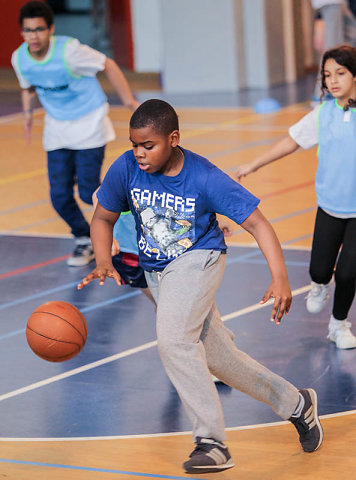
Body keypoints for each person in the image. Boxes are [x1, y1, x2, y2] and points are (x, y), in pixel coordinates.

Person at [77, 99, 323, 474]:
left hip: (199, 260)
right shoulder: (126, 168)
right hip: (158, 271)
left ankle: (212, 442)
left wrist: (281, 277)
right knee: (220, 360)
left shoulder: (204, 176)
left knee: (174, 341)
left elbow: (258, 224)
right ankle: (297, 404)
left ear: (173, 139)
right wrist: (103, 259)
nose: (140, 154)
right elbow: (103, 216)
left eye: (149, 146)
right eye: (134, 145)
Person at [236, 45, 356, 350]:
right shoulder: (323, 114)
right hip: (330, 206)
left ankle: (339, 325)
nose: (333, 80)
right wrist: (254, 164)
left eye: (340, 73)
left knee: (348, 272)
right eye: (327, 75)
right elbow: (291, 142)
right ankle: (319, 285)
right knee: (319, 270)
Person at [11, 1, 139, 266]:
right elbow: (28, 87)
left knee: (88, 191)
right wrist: (26, 116)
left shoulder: (70, 52)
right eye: (27, 30)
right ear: (22, 32)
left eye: (39, 29)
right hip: (58, 125)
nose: (33, 36)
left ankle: (129, 231)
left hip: (89, 120)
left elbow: (109, 65)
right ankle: (84, 237)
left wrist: (128, 101)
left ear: (50, 29)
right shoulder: (19, 58)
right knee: (59, 196)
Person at [92, 189, 155, 305]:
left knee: (168, 303)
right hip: (130, 253)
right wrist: (105, 233)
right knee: (161, 303)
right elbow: (98, 195)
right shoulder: (127, 173)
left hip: (162, 252)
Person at [311, 0, 356, 104]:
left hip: (342, 4)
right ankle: (321, 96)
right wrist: (319, 19)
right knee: (333, 49)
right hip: (332, 3)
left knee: (352, 38)